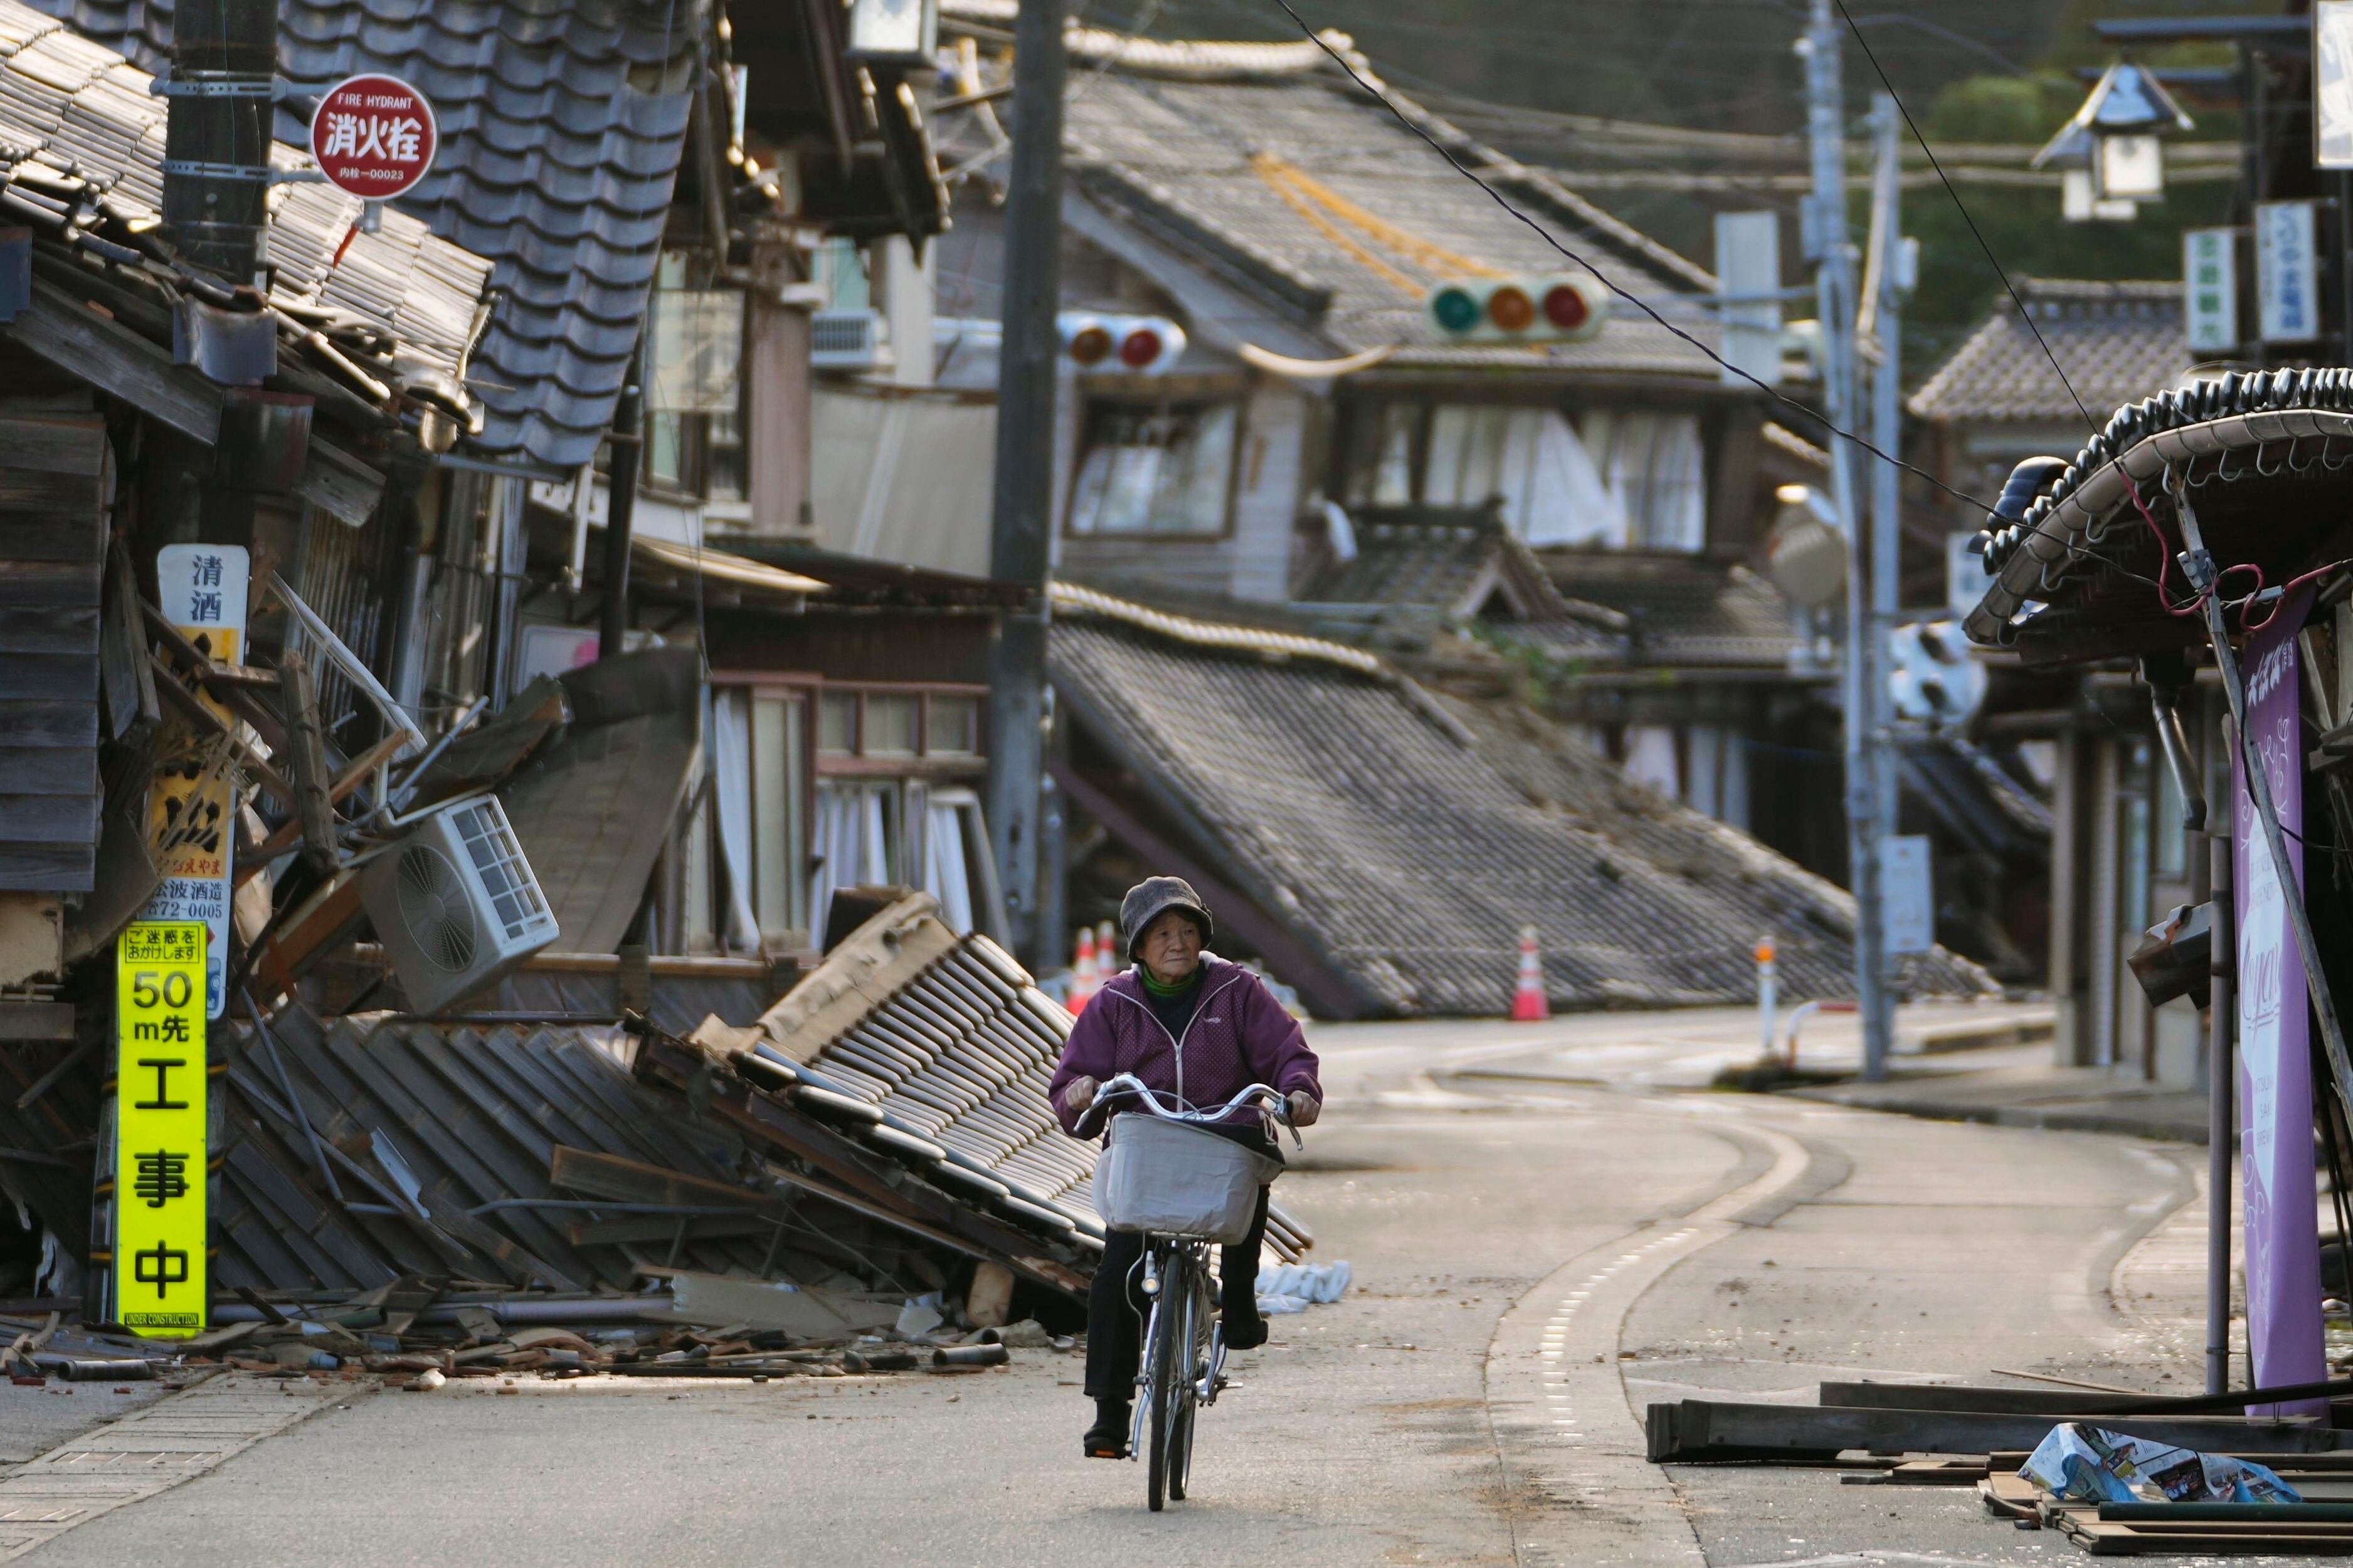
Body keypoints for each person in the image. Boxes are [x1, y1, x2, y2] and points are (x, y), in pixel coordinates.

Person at [1048, 875, 1323, 1460]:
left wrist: (1297, 1090)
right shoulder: (1114, 1004)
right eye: (1164, 933)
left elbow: (1287, 1050)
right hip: (1148, 1145)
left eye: (1188, 930)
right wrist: (1078, 1094)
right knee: (1117, 1271)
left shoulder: (1237, 991)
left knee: (1254, 1167)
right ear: (1140, 948)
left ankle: (1240, 1298)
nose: (1179, 942)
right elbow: (1073, 1078)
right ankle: (1110, 1414)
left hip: (1223, 1131)